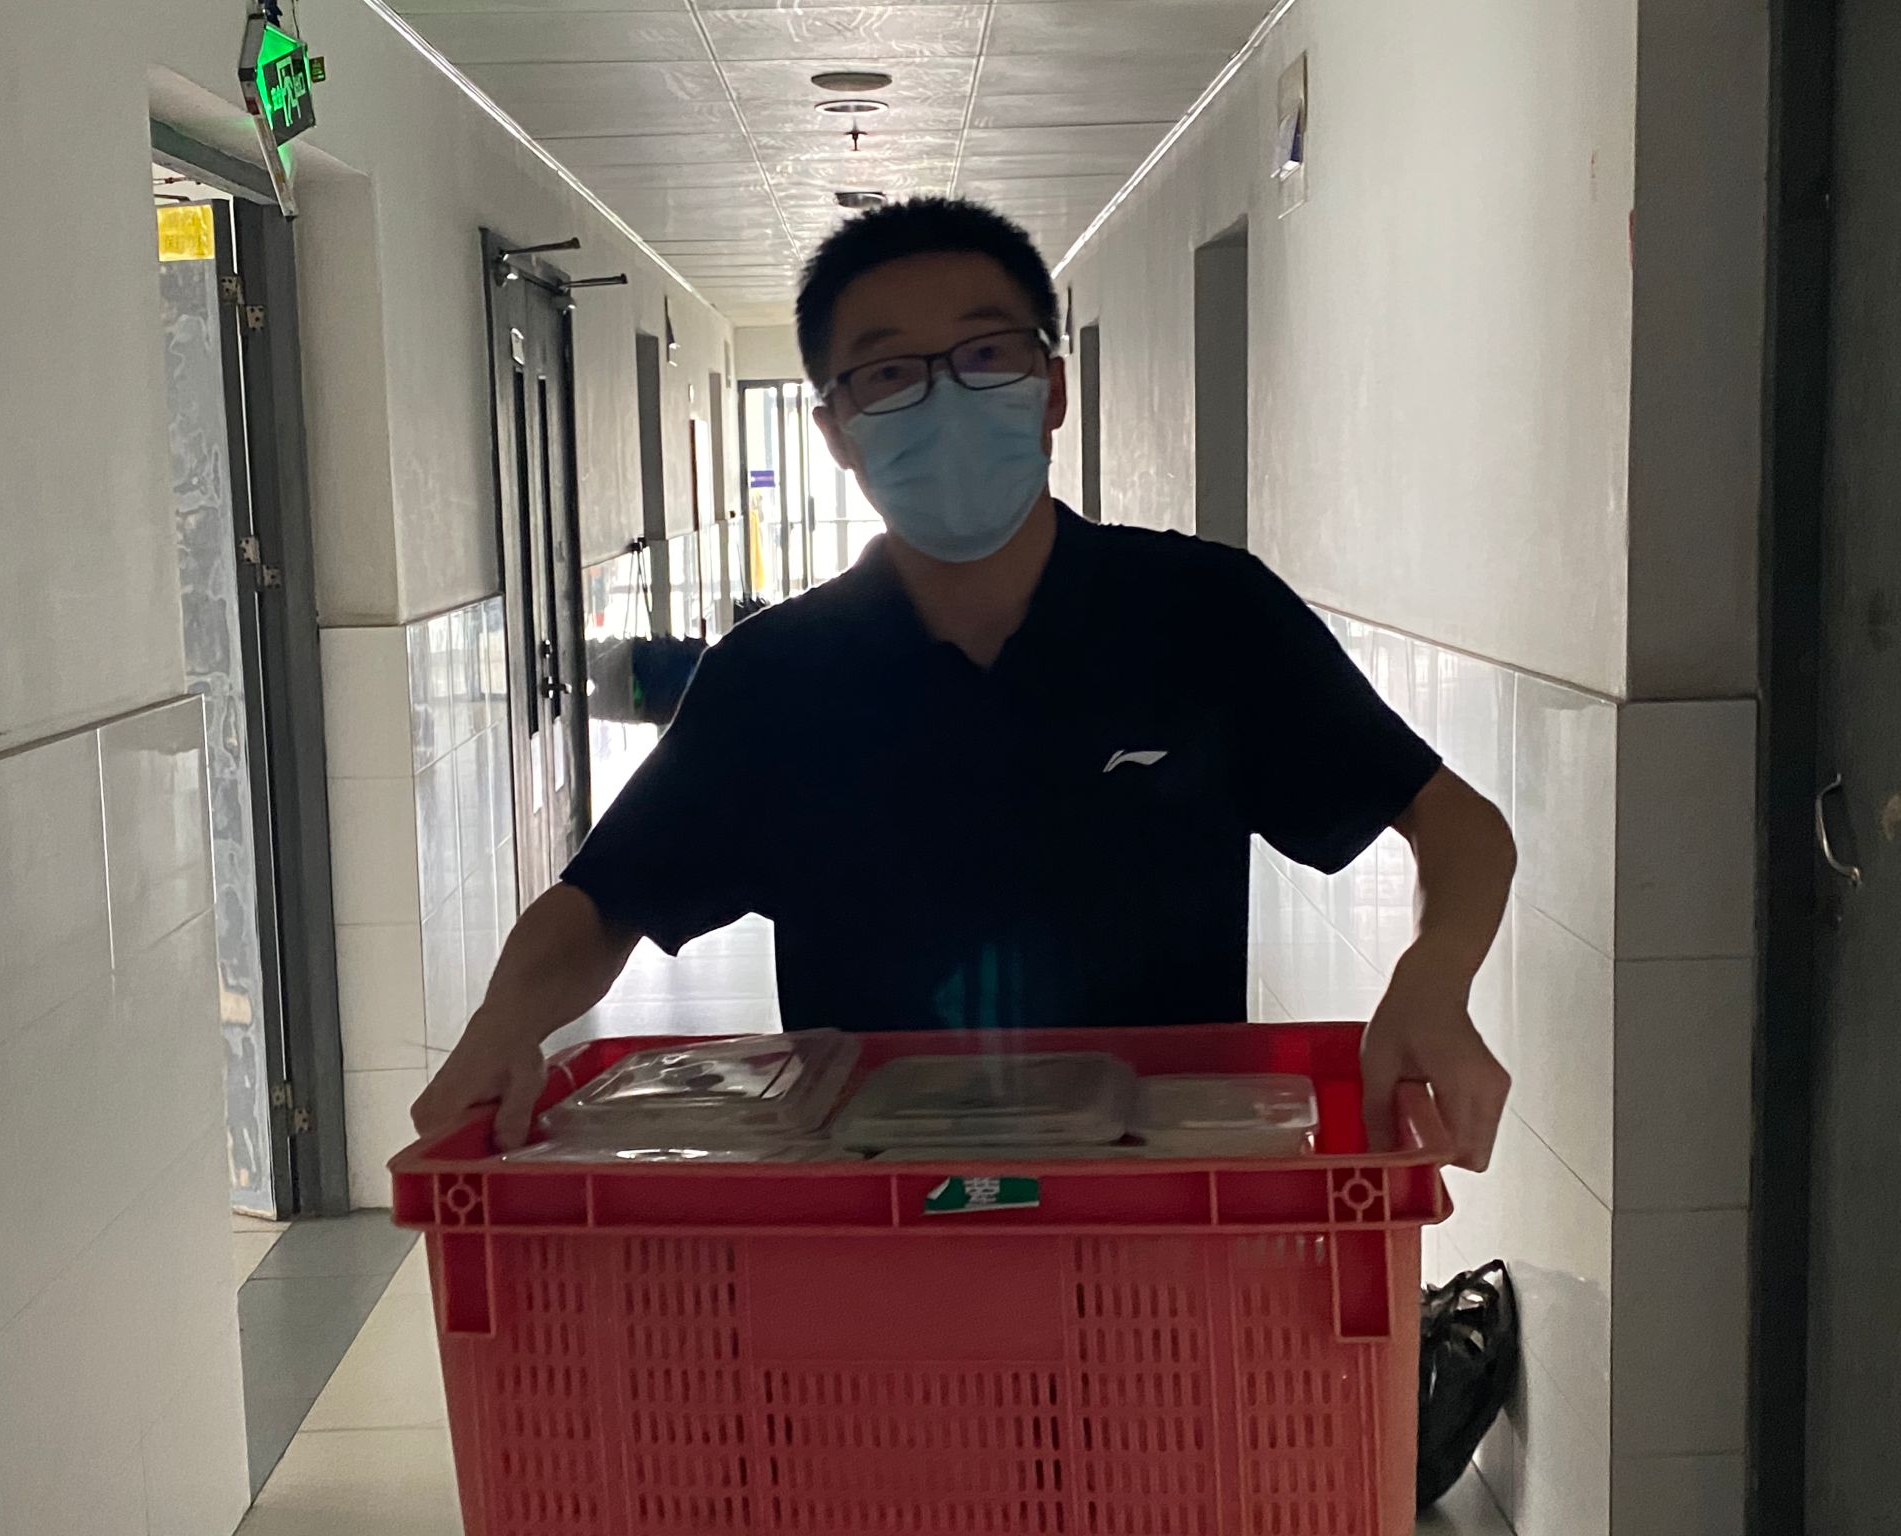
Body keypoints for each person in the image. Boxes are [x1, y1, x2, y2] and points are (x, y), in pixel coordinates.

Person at [413, 196, 1515, 1169]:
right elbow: (604, 899)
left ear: (1051, 388)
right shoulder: (778, 677)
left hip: (1158, 1208)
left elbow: (1454, 823)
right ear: (836, 432)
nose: (944, 395)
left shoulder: (1204, 614)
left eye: (986, 354)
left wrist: (1433, 979)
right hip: (877, 1214)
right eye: (890, 372)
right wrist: (501, 1026)